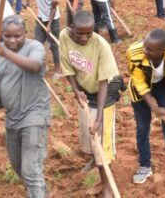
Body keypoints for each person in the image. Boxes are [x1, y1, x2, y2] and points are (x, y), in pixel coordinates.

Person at [0, 15, 51, 197]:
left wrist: (5, 53)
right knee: (18, 167)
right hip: (12, 117)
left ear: (25, 34)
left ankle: (37, 192)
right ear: (2, 34)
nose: (12, 40)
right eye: (7, 36)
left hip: (35, 113)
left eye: (17, 36)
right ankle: (41, 191)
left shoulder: (34, 47)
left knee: (30, 171)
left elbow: (34, 66)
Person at [60, 10, 123, 198]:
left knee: (100, 138)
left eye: (89, 33)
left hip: (106, 89)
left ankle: (107, 185)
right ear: (72, 28)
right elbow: (67, 67)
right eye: (81, 33)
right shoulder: (64, 36)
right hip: (85, 87)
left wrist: (100, 117)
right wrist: (76, 90)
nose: (85, 37)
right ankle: (95, 160)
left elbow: (103, 83)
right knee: (87, 132)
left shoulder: (101, 45)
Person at [126, 29, 165, 190]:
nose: (145, 50)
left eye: (150, 49)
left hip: (164, 85)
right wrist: (153, 106)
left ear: (163, 50)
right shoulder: (134, 52)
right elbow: (138, 82)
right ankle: (145, 165)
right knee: (142, 127)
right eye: (145, 45)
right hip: (141, 87)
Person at [24, 0, 61, 76]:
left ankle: (58, 70)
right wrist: (27, 0)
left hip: (53, 20)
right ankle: (43, 67)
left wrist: (49, 25)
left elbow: (54, 9)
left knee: (54, 45)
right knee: (38, 44)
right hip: (40, 18)